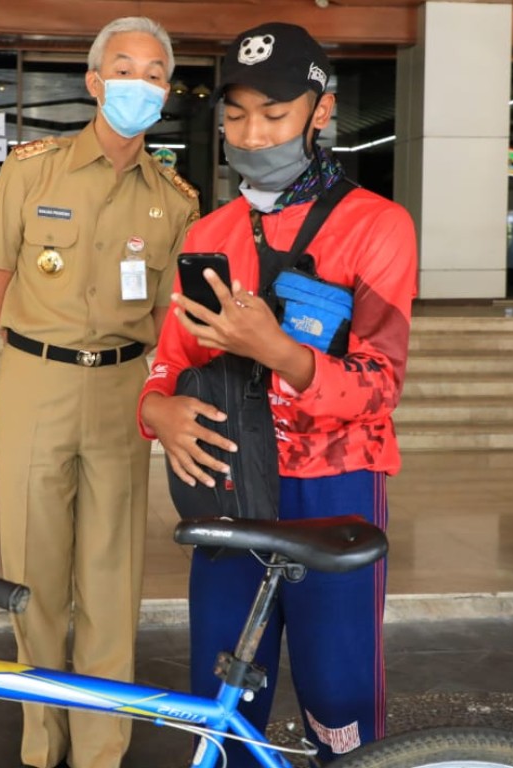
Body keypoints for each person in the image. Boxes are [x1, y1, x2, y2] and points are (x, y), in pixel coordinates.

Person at [138, 21, 417, 766]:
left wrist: (282, 354)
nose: (252, 133)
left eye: (274, 113)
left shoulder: (378, 227)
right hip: (230, 484)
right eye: (235, 115)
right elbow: (168, 365)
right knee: (223, 698)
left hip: (337, 490)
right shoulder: (211, 231)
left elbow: (380, 386)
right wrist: (156, 411)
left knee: (339, 697)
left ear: (321, 111)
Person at [0, 16, 200, 768]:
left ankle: (103, 749)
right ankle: (43, 745)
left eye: (156, 73)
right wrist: (42, 348)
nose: (140, 85)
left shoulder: (175, 197)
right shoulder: (32, 169)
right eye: (125, 70)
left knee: (111, 577)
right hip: (36, 380)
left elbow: (172, 314)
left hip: (122, 390)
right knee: (33, 574)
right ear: (95, 83)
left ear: (168, 91)